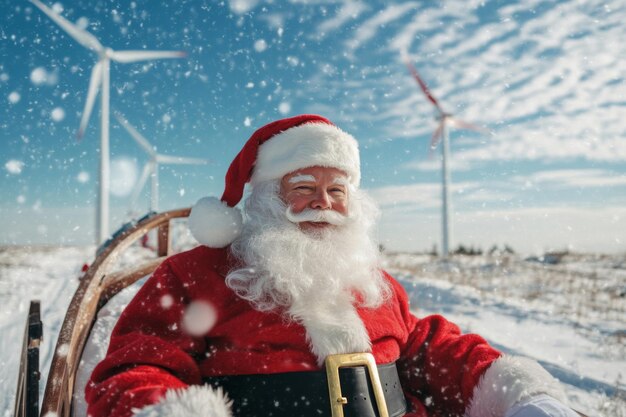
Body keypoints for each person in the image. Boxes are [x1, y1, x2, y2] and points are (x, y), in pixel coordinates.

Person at [86, 115, 581, 417]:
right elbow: (138, 363)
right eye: (302, 187)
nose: (322, 204)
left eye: (336, 191)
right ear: (261, 198)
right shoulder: (195, 274)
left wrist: (518, 395)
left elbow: (431, 347)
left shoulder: (373, 281)